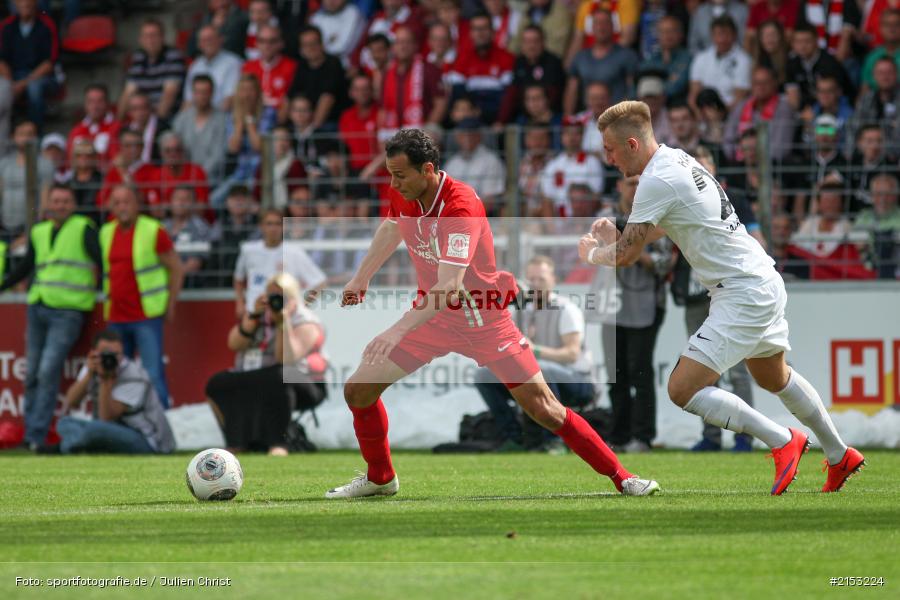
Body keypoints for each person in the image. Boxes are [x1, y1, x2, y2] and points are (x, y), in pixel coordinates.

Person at [326, 128, 659, 499]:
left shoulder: (461, 205)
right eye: (390, 173)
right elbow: (392, 226)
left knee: (545, 409)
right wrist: (362, 277)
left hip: (484, 321)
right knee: (358, 389)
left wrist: (395, 331)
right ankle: (381, 478)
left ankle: (623, 477)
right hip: (434, 320)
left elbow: (449, 287)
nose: (393, 183)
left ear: (429, 169)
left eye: (400, 175)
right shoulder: (403, 190)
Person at [580, 100, 864, 494]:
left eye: (610, 150)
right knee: (773, 375)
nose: (608, 159)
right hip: (760, 278)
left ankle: (784, 440)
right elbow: (672, 224)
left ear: (631, 143)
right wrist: (624, 233)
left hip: (742, 292)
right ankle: (839, 454)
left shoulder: (655, 180)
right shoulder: (677, 160)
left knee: (681, 388)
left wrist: (594, 253)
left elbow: (626, 256)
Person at [0, 184, 100, 451]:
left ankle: (36, 435)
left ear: (74, 205)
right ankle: (31, 434)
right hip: (39, 306)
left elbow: (102, 261)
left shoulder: (84, 227)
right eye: (56, 201)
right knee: (31, 372)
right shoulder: (40, 231)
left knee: (46, 371)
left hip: (69, 310)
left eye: (66, 201)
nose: (61, 205)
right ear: (48, 205)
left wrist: (103, 289)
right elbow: (27, 265)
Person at [475, 254, 596, 452]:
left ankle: (553, 441)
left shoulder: (566, 309)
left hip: (578, 381)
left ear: (553, 280)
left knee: (540, 369)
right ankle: (513, 437)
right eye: (532, 279)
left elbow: (572, 354)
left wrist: (535, 350)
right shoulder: (521, 310)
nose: (536, 284)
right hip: (541, 376)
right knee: (483, 375)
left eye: (542, 279)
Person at [206, 272, 327, 455]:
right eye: (272, 295)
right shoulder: (259, 315)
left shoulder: (305, 320)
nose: (275, 301)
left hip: (304, 382)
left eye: (281, 296)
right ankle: (237, 442)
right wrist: (254, 316)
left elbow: (285, 359)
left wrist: (282, 322)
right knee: (218, 383)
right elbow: (233, 344)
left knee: (279, 375)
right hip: (260, 375)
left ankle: (279, 443)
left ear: (293, 297)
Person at [594, 176, 672, 453]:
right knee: (616, 375)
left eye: (640, 183)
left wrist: (634, 250)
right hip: (611, 305)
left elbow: (665, 263)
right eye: (630, 183)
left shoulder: (655, 215)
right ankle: (618, 435)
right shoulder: (604, 218)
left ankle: (643, 436)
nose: (635, 188)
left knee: (640, 371)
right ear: (619, 186)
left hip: (647, 303)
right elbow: (594, 252)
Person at [100, 184, 185, 409]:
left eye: (126, 201)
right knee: (117, 374)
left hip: (145, 315)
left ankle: (162, 426)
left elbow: (176, 267)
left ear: (137, 204)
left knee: (153, 372)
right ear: (111, 207)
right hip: (116, 315)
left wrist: (171, 304)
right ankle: (123, 426)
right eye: (116, 202)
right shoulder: (106, 232)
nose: (122, 207)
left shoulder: (152, 230)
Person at [58, 329, 175, 454]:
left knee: (95, 430)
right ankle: (80, 442)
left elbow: (107, 418)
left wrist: (105, 380)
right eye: (106, 353)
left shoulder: (135, 375)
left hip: (147, 440)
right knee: (64, 422)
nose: (111, 358)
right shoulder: (93, 366)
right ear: (93, 353)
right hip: (111, 432)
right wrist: (88, 376)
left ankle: (66, 446)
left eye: (116, 354)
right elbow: (70, 402)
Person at [233, 208, 326, 319]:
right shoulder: (248, 250)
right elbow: (238, 279)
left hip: (285, 317)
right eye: (269, 224)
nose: (273, 228)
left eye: (278, 224)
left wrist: (301, 305)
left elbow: (320, 282)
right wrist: (240, 303)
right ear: (261, 226)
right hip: (255, 313)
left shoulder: (294, 252)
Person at [564, 8, 639, 112]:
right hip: (588, 119)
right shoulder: (580, 57)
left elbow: (633, 89)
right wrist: (568, 117)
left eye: (605, 23)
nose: (601, 27)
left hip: (618, 117)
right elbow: (572, 90)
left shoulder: (627, 56)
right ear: (591, 28)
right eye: (597, 23)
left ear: (613, 26)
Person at [378, 25, 447, 138]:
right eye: (399, 42)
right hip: (393, 130)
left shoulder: (429, 69)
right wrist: (382, 133)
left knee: (432, 134)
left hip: (422, 131)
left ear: (415, 45)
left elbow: (440, 104)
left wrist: (426, 130)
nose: (403, 46)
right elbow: (382, 110)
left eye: (407, 42)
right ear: (393, 47)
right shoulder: (387, 73)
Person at [0, 0, 59, 129]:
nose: (25, 3)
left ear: (36, 2)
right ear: (14, 3)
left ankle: (35, 135)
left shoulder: (47, 25)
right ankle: (4, 137)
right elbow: (2, 61)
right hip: (12, 76)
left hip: (41, 77)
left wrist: (23, 83)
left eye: (28, 1)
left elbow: (49, 63)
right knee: (2, 89)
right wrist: (11, 83)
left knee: (34, 88)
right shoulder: (7, 25)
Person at [119, 19, 186, 120]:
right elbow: (128, 92)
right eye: (146, 36)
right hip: (142, 117)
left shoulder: (173, 56)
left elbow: (169, 96)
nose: (150, 40)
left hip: (167, 119)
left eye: (154, 35)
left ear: (162, 37)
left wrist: (154, 126)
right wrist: (118, 121)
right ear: (140, 39)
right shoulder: (138, 58)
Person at [0, 119, 53, 239]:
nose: (25, 138)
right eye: (21, 134)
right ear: (13, 137)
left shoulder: (45, 164)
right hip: (5, 227)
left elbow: (45, 202)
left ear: (36, 137)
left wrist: (31, 233)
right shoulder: (4, 164)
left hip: (32, 229)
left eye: (30, 134)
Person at [172, 74, 230, 184]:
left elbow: (218, 155)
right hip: (184, 181)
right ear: (193, 94)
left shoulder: (222, 119)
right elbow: (175, 150)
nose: (201, 96)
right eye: (198, 92)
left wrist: (199, 176)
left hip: (212, 181)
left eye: (205, 92)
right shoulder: (181, 119)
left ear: (212, 93)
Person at [688, 15, 751, 113]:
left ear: (734, 35)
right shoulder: (701, 58)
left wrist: (720, 115)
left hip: (731, 114)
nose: (722, 39)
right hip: (703, 113)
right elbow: (693, 94)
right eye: (718, 34)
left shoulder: (744, 60)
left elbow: (740, 98)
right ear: (712, 36)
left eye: (726, 34)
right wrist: (699, 114)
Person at [443, 118, 506, 215]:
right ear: (457, 137)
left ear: (479, 136)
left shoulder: (491, 161)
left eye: (471, 134)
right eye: (463, 134)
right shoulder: (452, 163)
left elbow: (490, 201)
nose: (467, 138)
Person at [288, 25, 346, 129]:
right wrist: (280, 125)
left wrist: (312, 131)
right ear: (301, 48)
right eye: (306, 45)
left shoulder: (333, 64)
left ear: (322, 44)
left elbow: (327, 98)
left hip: (328, 123)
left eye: (313, 43)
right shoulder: (302, 65)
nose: (310, 48)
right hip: (303, 122)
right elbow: (290, 97)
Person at [163, 186, 215, 288]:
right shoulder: (161, 227)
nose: (181, 203)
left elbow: (194, 264)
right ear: (171, 202)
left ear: (193, 204)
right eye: (177, 199)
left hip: (190, 286)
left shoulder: (201, 228)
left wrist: (170, 274)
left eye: (185, 199)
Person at [183, 25, 243, 111]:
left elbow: (230, 99)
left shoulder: (233, 62)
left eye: (211, 39)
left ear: (220, 40)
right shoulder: (195, 66)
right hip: (197, 118)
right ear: (199, 44)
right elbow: (188, 100)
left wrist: (211, 120)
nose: (208, 43)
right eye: (204, 40)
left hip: (223, 117)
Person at [66, 83, 121, 168]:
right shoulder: (76, 130)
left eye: (100, 101)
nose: (95, 106)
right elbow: (70, 162)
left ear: (108, 103)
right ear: (85, 104)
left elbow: (117, 161)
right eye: (90, 101)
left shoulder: (117, 127)